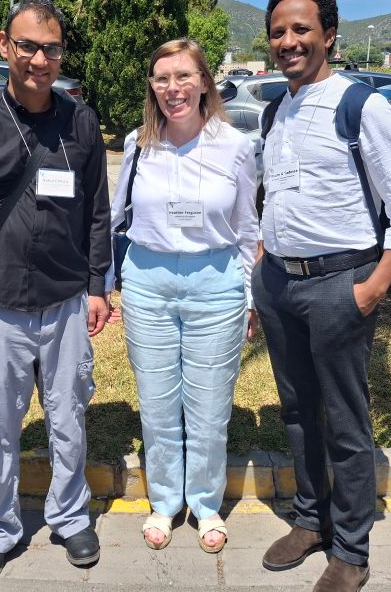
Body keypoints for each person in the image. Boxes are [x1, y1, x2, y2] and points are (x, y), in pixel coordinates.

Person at [253, 0, 391, 592]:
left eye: (301, 30)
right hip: (278, 282)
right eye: (278, 32)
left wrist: (374, 287)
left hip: (341, 285)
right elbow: (272, 196)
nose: (288, 42)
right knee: (299, 411)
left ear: (329, 34)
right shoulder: (276, 111)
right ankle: (310, 521)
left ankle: (351, 551)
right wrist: (261, 263)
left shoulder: (362, 106)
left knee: (348, 423)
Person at [0, 0, 111, 585]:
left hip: (65, 301)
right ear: (5, 45)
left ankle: (69, 516)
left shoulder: (80, 121)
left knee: (68, 418)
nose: (41, 59)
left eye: (52, 48)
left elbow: (96, 211)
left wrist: (96, 286)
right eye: (29, 46)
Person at [106, 38, 258, 554]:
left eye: (183, 76)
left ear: (204, 82)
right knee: (157, 403)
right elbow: (116, 218)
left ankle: (207, 501)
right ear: (152, 86)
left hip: (215, 284)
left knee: (211, 406)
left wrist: (251, 295)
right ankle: (166, 501)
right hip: (148, 281)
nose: (173, 88)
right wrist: (105, 281)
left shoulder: (236, 147)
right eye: (162, 78)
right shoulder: (137, 144)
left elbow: (246, 229)